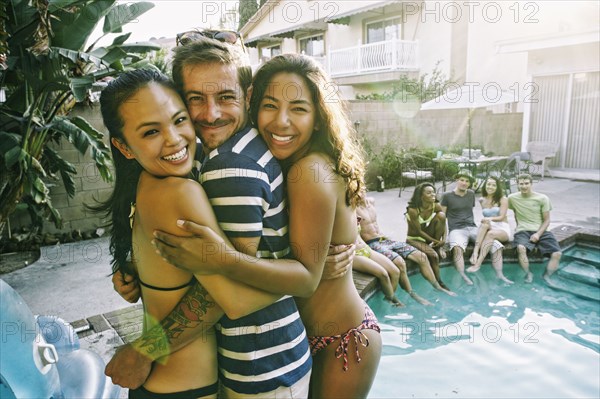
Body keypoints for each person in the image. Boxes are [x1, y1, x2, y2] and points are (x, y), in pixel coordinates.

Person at [152, 53, 383, 399]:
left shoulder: (310, 172)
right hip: (303, 335)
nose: (281, 121)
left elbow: (306, 278)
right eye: (270, 105)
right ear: (253, 103)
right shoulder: (278, 161)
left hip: (342, 340)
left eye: (299, 109)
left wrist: (220, 258)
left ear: (319, 118)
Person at [104, 38, 315, 398]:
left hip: (260, 366)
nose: (211, 113)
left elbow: (229, 296)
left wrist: (144, 350)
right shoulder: (200, 157)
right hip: (249, 363)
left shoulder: (231, 167)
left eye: (225, 97)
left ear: (247, 96)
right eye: (195, 100)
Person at [358, 197, 456, 297]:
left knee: (422, 257)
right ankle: (412, 294)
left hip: (385, 240)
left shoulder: (371, 202)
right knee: (400, 263)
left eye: (362, 188)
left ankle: (437, 287)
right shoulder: (353, 208)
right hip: (372, 243)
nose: (359, 192)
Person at [441, 171, 504, 285]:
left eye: (467, 181)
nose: (464, 183)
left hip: (473, 228)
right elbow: (441, 218)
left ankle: (499, 274)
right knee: (457, 248)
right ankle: (463, 275)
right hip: (456, 229)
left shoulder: (471, 194)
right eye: (462, 180)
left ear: (470, 183)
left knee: (496, 246)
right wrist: (443, 240)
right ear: (457, 180)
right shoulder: (446, 196)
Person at [508, 174, 562, 283]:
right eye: (521, 184)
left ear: (531, 184)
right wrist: (519, 226)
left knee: (557, 254)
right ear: (517, 185)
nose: (524, 186)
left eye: (526, 183)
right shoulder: (512, 198)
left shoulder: (542, 198)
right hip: (523, 230)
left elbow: (547, 220)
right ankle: (528, 273)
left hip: (541, 230)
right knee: (520, 248)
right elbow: (515, 212)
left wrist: (538, 234)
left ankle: (547, 276)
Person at [353, 233, 432, 306]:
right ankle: (394, 300)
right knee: (384, 274)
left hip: (366, 249)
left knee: (396, 272)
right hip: (354, 253)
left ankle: (390, 298)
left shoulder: (354, 217)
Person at [466, 176, 514, 283]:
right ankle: (475, 252)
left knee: (490, 233)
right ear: (485, 185)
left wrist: (489, 218)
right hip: (489, 227)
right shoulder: (482, 200)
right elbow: (486, 218)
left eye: (493, 185)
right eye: (488, 184)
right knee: (485, 226)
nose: (490, 187)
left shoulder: (503, 199)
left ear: (497, 187)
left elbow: (501, 217)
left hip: (502, 228)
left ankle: (478, 263)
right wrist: (487, 221)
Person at [405, 182, 447, 286]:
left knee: (441, 215)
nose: (433, 194)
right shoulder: (413, 210)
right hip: (414, 239)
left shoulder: (435, 205)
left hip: (427, 236)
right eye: (429, 193)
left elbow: (443, 222)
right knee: (434, 256)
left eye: (433, 192)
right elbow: (418, 232)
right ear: (421, 196)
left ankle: (437, 247)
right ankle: (439, 282)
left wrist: (443, 240)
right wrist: (437, 241)